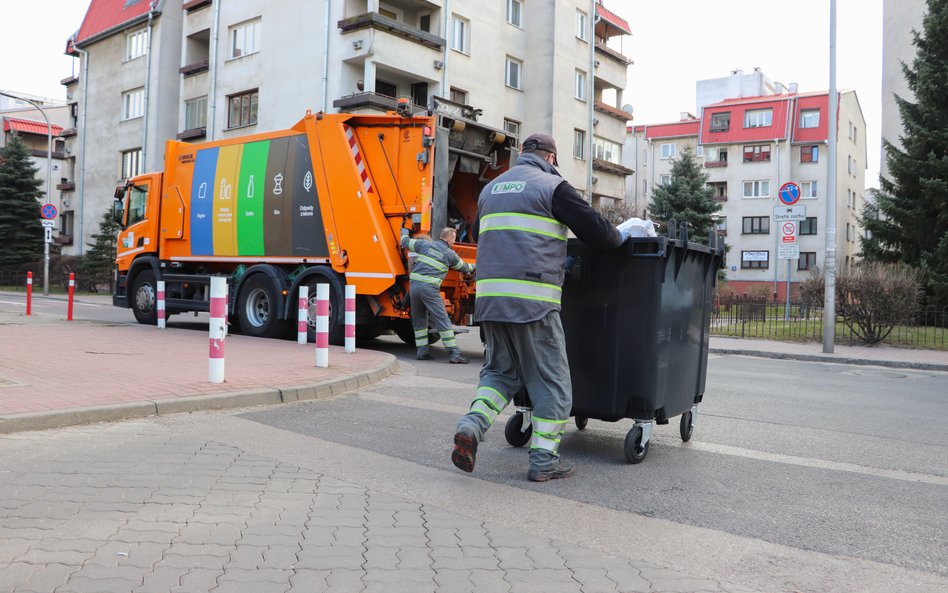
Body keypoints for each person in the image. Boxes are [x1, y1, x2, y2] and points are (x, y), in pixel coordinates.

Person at [450, 133, 631, 482]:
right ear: (551, 158)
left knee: (499, 375)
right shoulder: (552, 186)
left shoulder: (490, 189)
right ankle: (544, 459)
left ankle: (471, 425)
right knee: (552, 383)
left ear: (522, 155)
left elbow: (477, 234)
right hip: (532, 301)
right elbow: (599, 233)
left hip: (490, 300)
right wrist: (622, 238)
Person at [400, 226, 475, 364]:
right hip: (429, 289)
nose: (454, 241)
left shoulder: (424, 244)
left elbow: (404, 242)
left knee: (420, 321)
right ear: (448, 238)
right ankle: (454, 353)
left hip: (414, 287)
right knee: (443, 320)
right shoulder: (449, 254)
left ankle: (422, 352)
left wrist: (404, 230)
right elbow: (464, 267)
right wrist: (477, 266)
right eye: (454, 238)